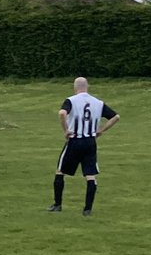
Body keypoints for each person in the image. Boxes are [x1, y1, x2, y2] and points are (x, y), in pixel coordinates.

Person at [49, 77, 120, 216]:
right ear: (87, 86)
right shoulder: (98, 103)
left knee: (60, 171)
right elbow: (115, 117)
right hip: (90, 142)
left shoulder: (71, 100)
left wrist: (65, 131)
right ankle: (87, 209)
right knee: (90, 175)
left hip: (75, 140)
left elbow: (62, 113)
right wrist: (101, 130)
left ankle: (57, 205)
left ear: (75, 87)